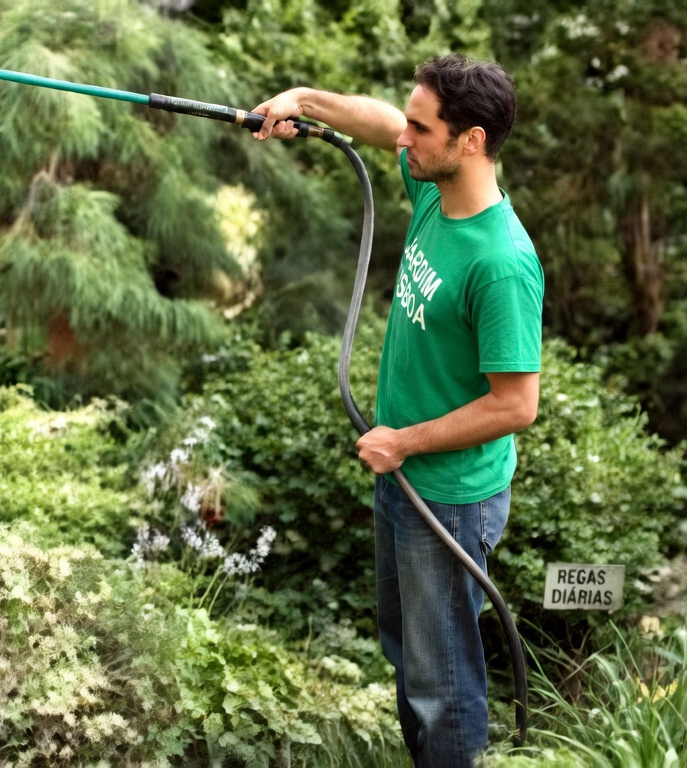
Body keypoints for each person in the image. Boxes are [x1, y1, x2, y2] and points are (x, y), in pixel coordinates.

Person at [252, 54, 543, 767]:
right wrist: (303, 99)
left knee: (442, 684)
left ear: (471, 140)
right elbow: (382, 123)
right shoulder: (435, 188)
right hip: (403, 477)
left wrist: (405, 442)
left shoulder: (501, 262)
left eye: (422, 128)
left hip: (448, 496)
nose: (403, 139)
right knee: (408, 655)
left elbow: (516, 405)